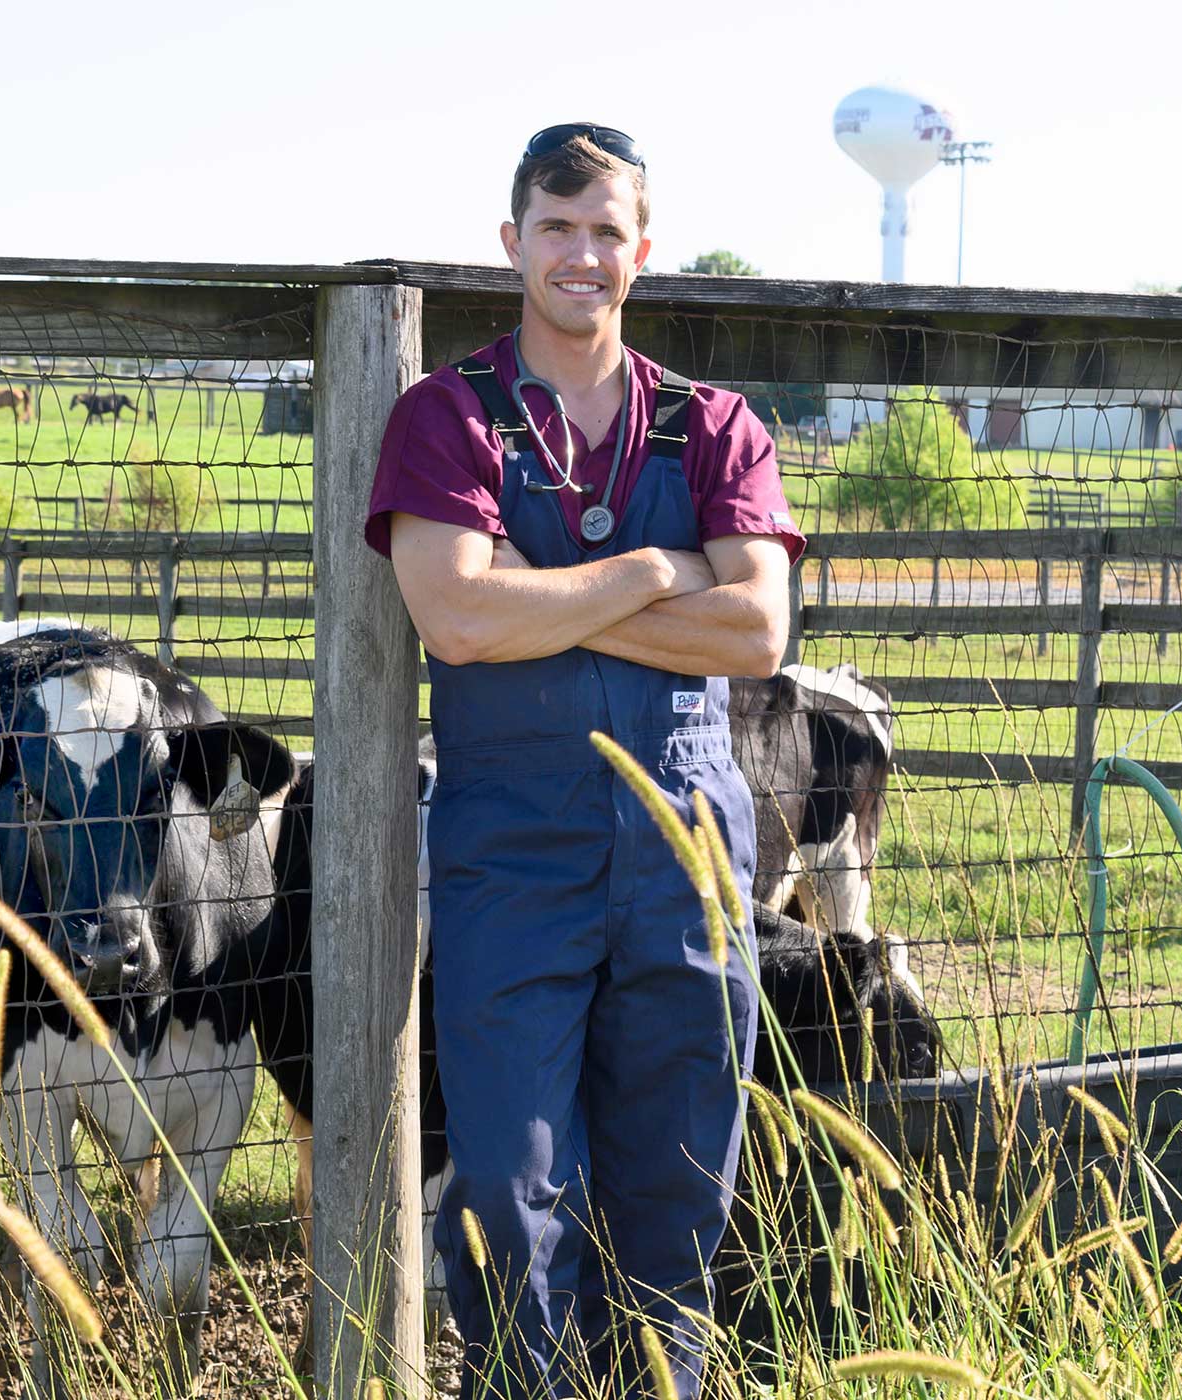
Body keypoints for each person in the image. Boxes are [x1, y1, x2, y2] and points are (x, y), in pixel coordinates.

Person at [365, 123, 802, 1399]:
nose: (583, 253)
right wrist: (660, 572)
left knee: (674, 1179)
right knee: (508, 1177)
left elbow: (760, 629)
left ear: (642, 252)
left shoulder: (713, 427)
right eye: (557, 228)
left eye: (608, 230)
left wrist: (540, 596)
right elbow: (457, 618)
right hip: (516, 847)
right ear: (512, 245)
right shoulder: (449, 419)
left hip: (683, 846)